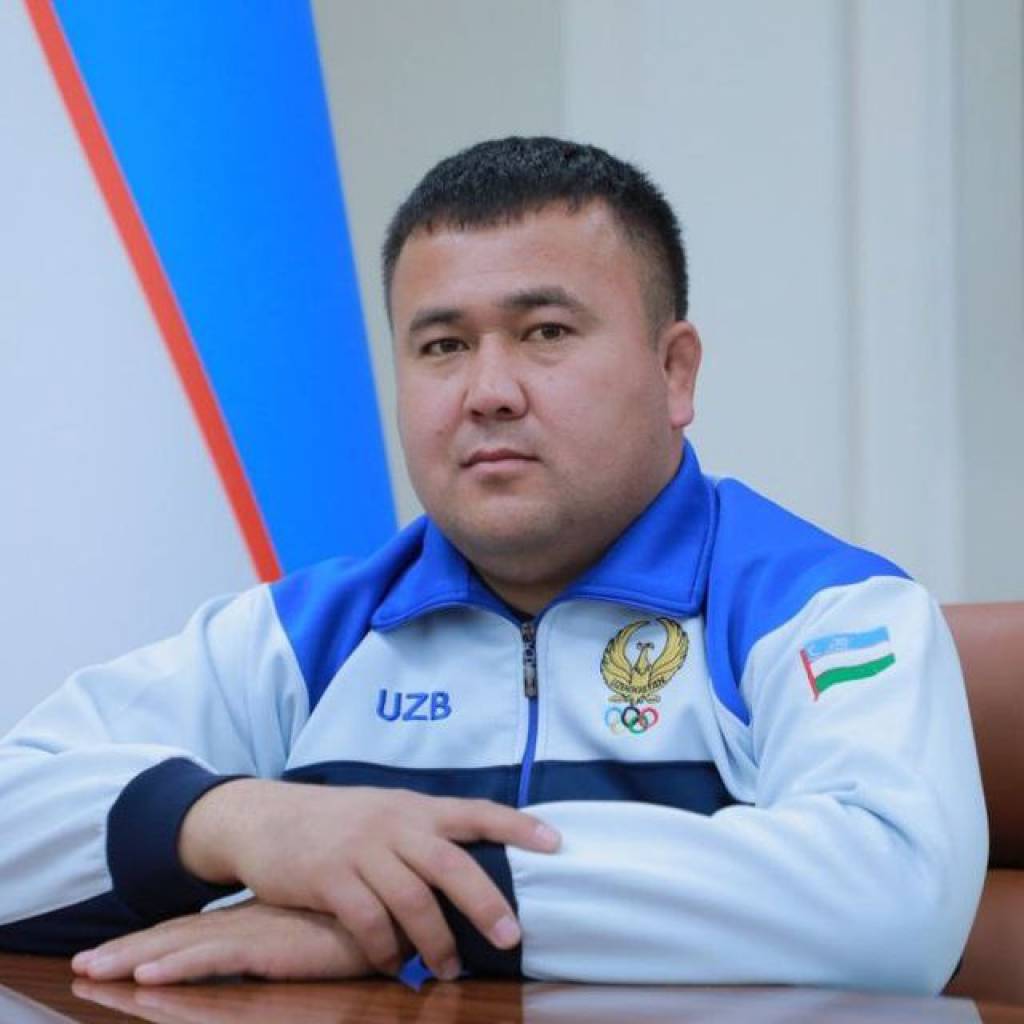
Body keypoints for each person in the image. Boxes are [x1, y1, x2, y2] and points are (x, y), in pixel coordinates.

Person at [0, 137, 986, 993]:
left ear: (673, 370)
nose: (488, 391)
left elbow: (893, 897)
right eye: (441, 345)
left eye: (545, 333)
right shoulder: (309, 636)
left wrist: (414, 897)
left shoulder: (825, 610)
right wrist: (237, 823)